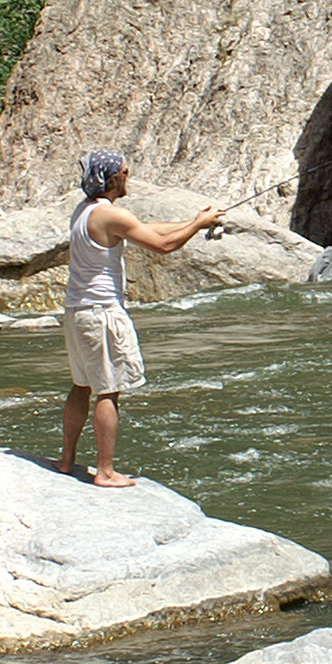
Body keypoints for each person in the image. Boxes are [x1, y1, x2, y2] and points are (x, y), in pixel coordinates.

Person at [59, 151, 223, 486]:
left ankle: (66, 460)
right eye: (123, 171)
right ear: (113, 178)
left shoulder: (87, 210)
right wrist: (198, 226)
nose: (128, 173)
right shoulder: (109, 215)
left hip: (77, 312)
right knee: (109, 390)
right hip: (101, 313)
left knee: (81, 386)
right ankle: (105, 472)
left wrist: (195, 220)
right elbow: (163, 245)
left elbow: (146, 229)